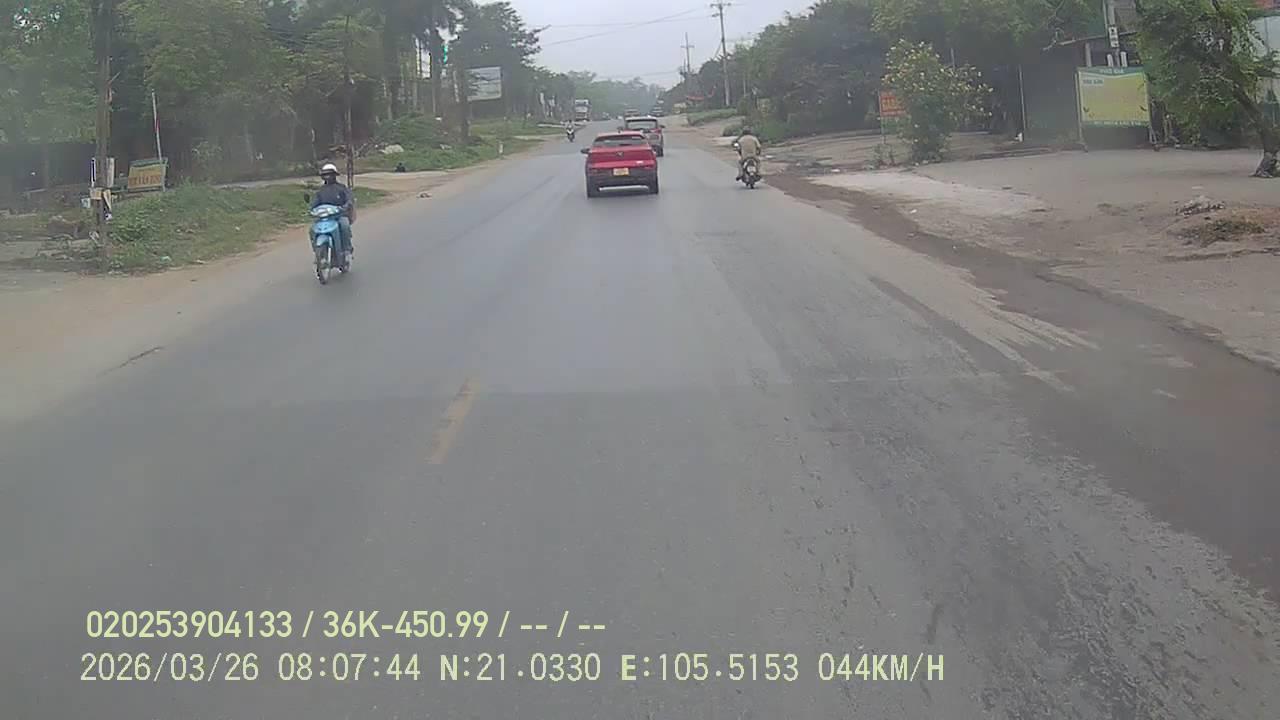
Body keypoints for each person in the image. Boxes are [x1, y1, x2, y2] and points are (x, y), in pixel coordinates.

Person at [310, 162, 354, 257]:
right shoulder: (320, 190)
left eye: (329, 174)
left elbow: (349, 199)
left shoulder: (341, 188)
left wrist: (346, 205)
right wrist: (311, 209)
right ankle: (317, 249)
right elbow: (315, 202)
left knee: (344, 226)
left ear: (334, 175)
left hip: (339, 215)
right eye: (325, 175)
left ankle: (347, 249)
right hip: (324, 217)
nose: (327, 177)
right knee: (312, 229)